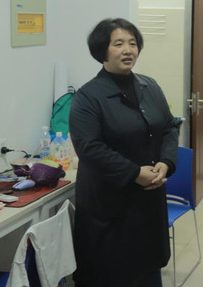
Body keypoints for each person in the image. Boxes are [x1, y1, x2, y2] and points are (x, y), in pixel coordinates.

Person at [69, 18, 179, 287]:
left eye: (132, 43)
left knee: (148, 270)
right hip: (109, 204)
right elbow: (89, 147)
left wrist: (166, 162)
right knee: (111, 272)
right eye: (118, 44)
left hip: (148, 200)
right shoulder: (88, 96)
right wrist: (134, 173)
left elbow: (168, 126)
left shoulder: (149, 86)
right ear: (102, 51)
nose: (128, 50)